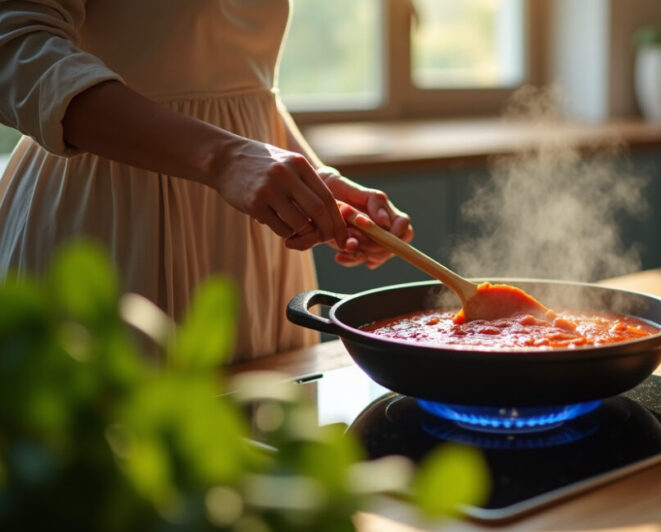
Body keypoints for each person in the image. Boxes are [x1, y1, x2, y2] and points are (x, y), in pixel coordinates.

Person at [0, 0, 413, 361]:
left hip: (253, 249)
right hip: (112, 224)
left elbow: (245, 86)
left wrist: (316, 179)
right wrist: (225, 157)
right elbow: (15, 45)